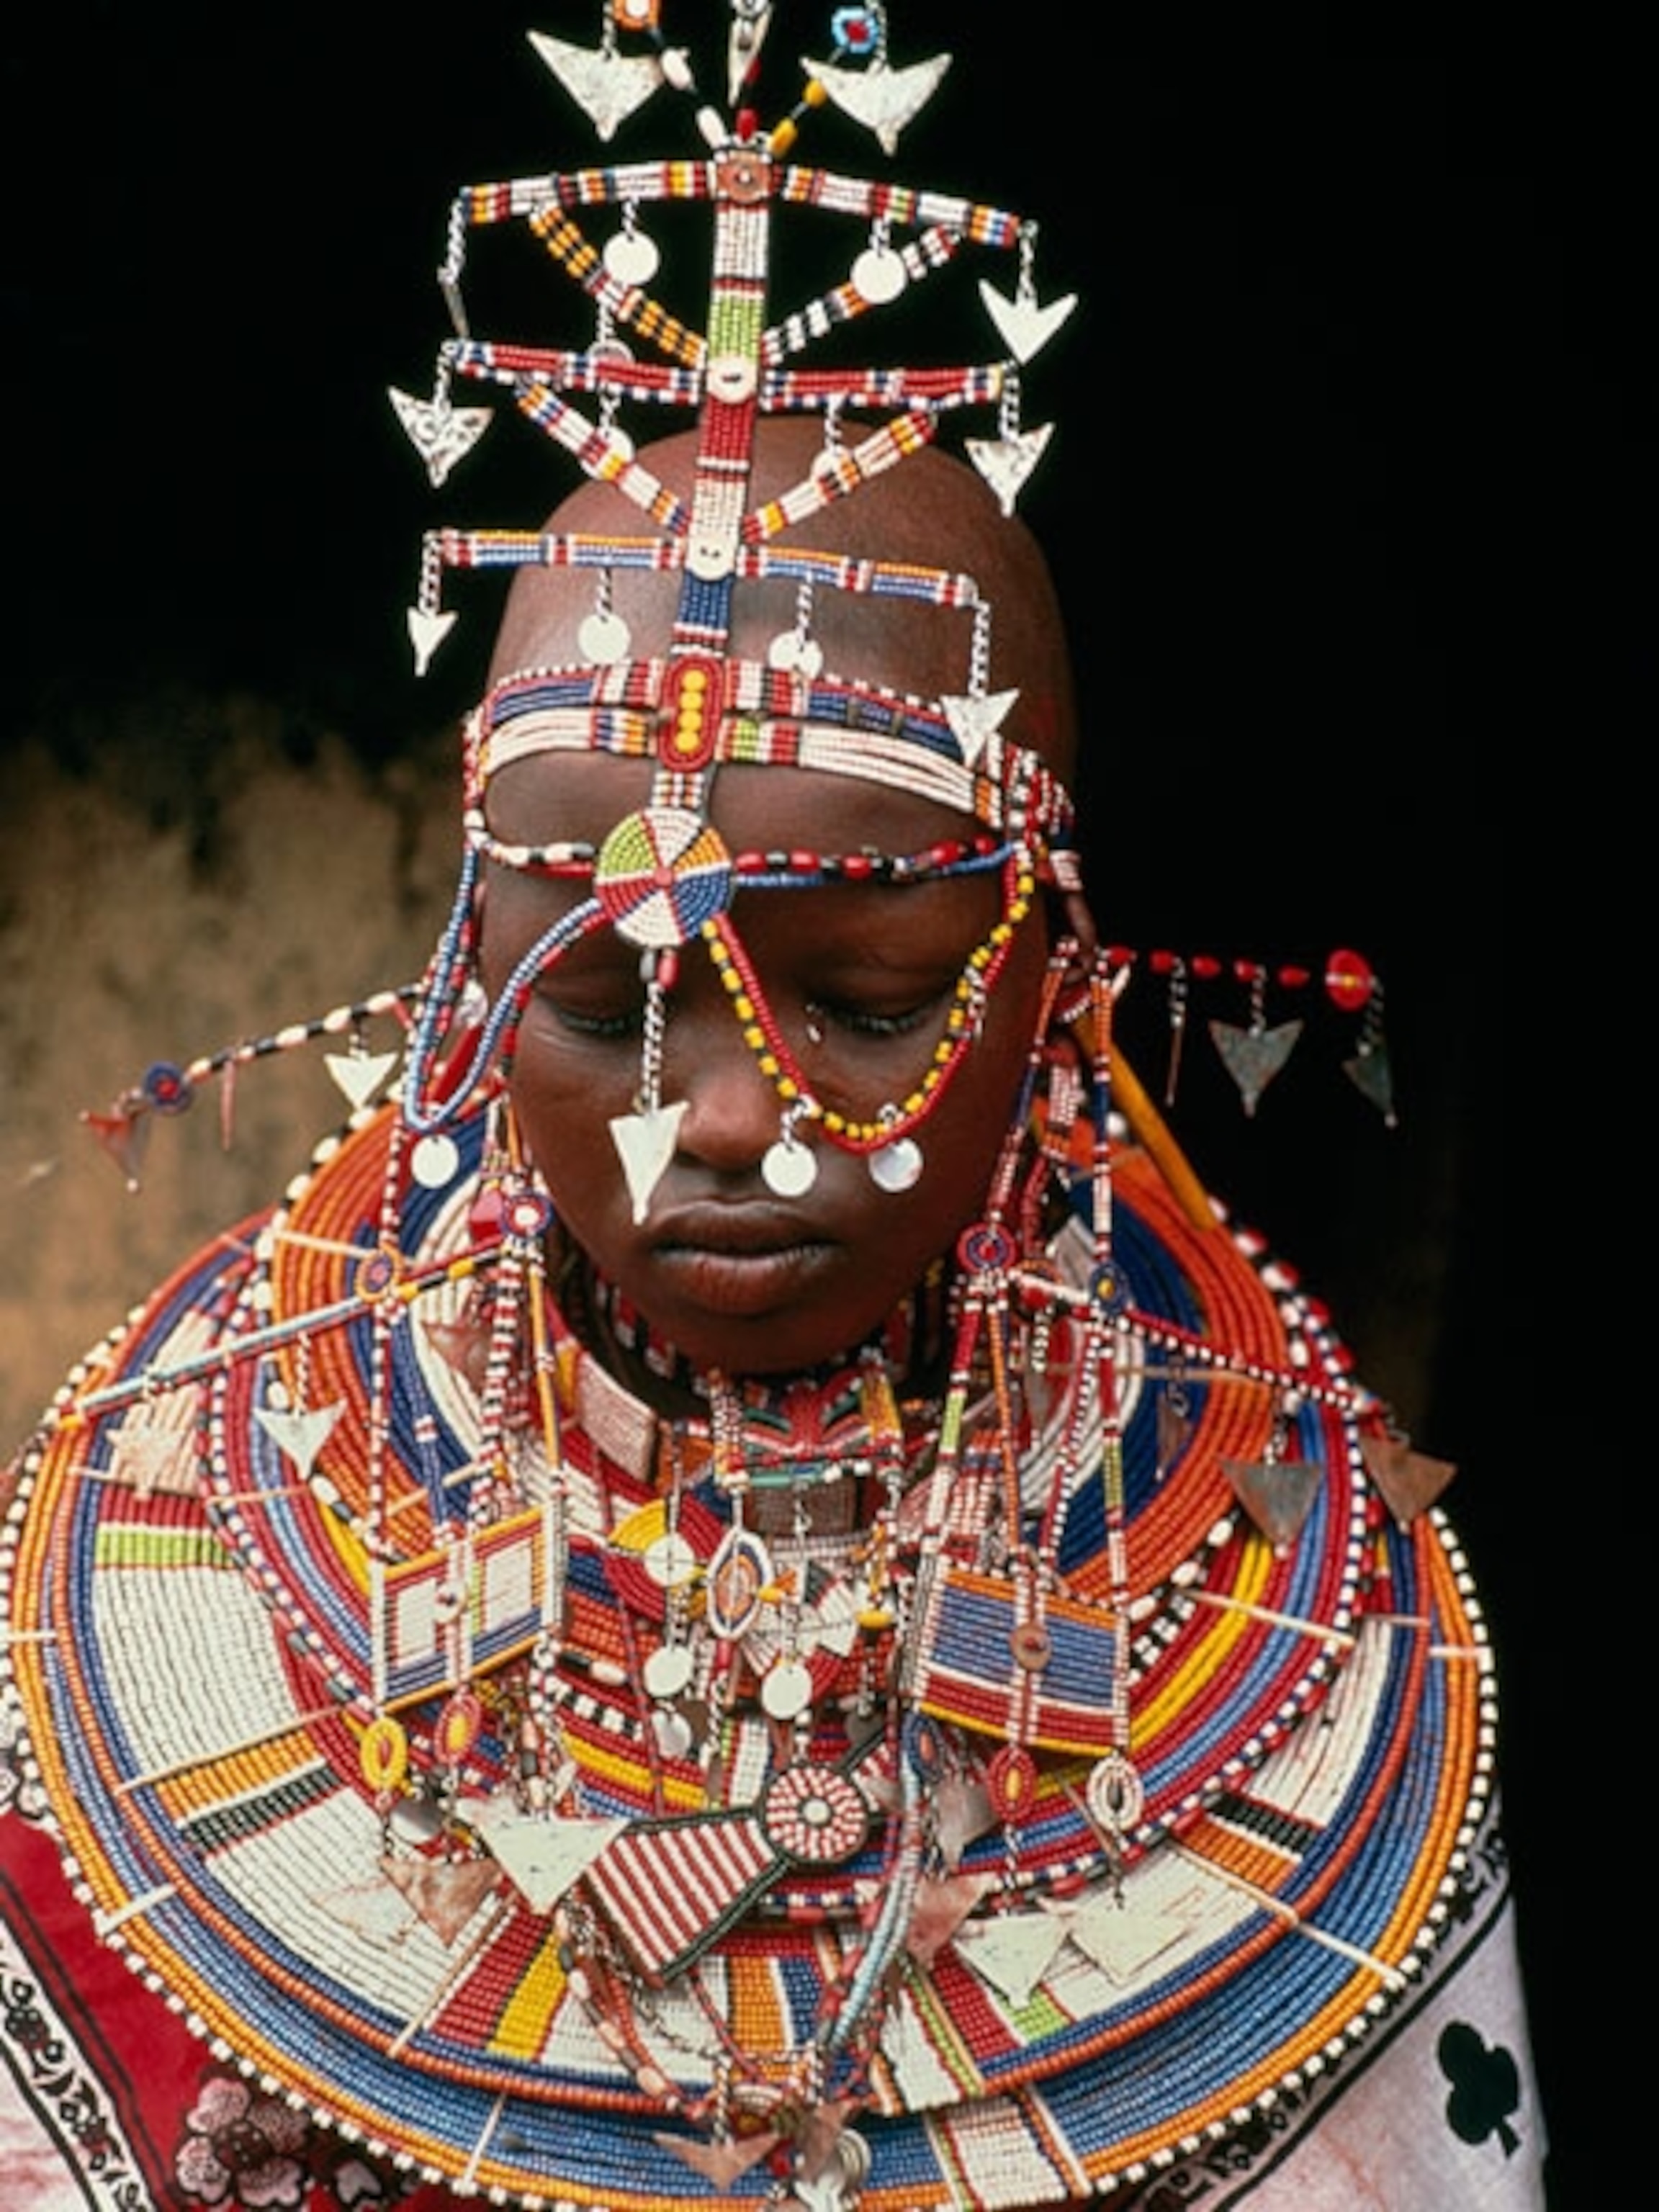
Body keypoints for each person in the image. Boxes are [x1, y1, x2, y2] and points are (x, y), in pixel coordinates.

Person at [1, 12, 1545, 2210]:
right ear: (461, 983)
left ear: (1056, 990)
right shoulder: (172, 1527)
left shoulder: (1309, 1630)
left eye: (870, 998)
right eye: (597, 992)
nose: (723, 1118)